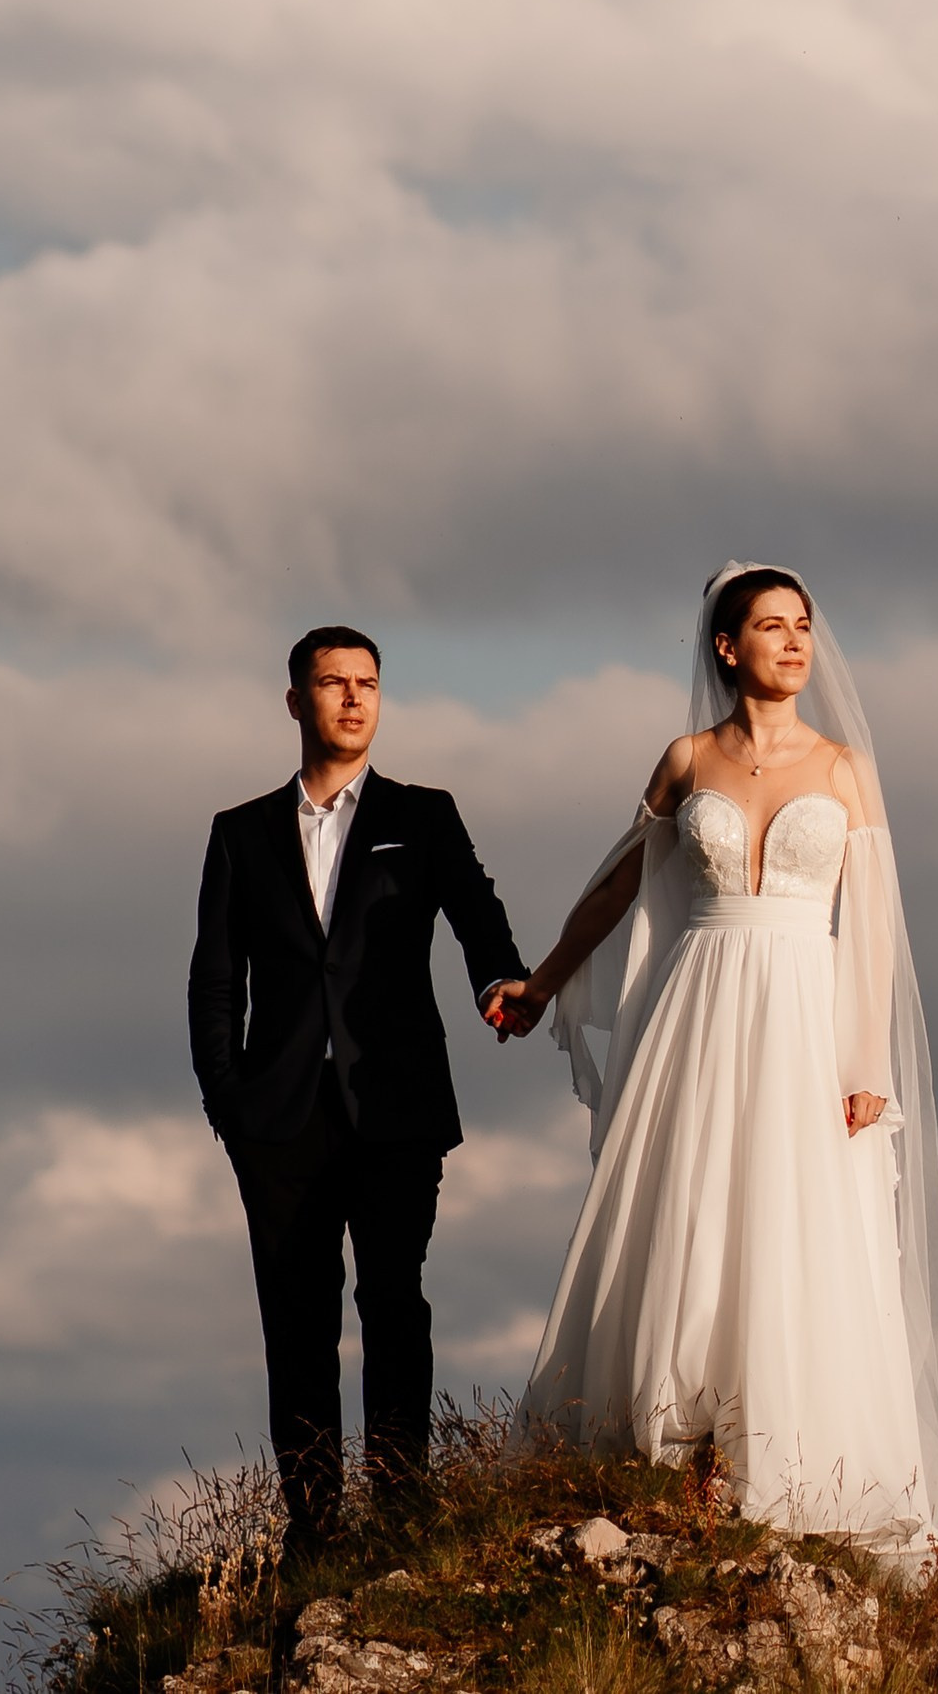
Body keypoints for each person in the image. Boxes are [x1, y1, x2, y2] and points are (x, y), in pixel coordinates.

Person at [489, 565, 938, 1568]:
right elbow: (617, 888)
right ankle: (677, 1442)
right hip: (700, 1006)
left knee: (794, 1218)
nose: (796, 643)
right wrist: (542, 981)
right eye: (771, 626)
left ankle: (786, 1455)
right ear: (727, 647)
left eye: (804, 626)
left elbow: (875, 929)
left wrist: (864, 1061)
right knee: (690, 1204)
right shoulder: (685, 760)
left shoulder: (844, 769)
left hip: (804, 1011)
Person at [187, 625, 532, 1553]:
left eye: (368, 683)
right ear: (294, 700)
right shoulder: (240, 832)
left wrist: (500, 980)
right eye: (333, 683)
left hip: (396, 1108)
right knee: (296, 1325)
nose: (353, 698)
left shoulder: (425, 815)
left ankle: (401, 1512)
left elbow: (477, 912)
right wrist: (231, 1105)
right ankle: (315, 1528)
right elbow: (216, 981)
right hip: (279, 1121)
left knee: (392, 1299)